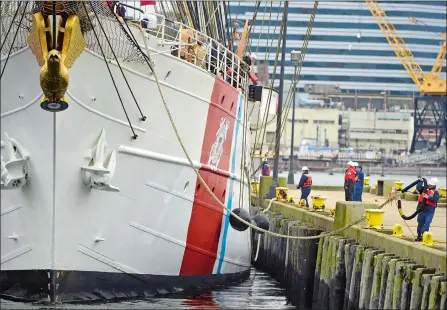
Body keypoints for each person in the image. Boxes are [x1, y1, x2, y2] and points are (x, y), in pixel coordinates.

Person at [415, 177, 440, 242]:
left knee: (427, 223)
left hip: (430, 211)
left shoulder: (436, 192)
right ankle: (419, 236)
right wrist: (420, 182)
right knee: (420, 222)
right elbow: (418, 188)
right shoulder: (424, 189)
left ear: (434, 185)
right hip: (422, 209)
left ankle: (424, 235)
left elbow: (436, 199)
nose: (429, 185)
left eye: (431, 185)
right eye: (429, 184)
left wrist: (428, 197)